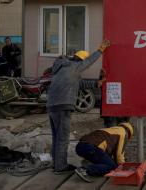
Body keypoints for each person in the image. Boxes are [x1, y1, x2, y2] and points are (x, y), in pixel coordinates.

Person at [47, 39, 110, 174]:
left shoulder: (62, 68)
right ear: (79, 60)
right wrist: (100, 50)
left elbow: (79, 84)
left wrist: (96, 83)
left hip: (51, 106)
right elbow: (88, 62)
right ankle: (60, 167)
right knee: (63, 138)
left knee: (56, 137)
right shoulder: (74, 66)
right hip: (62, 106)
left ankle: (56, 164)